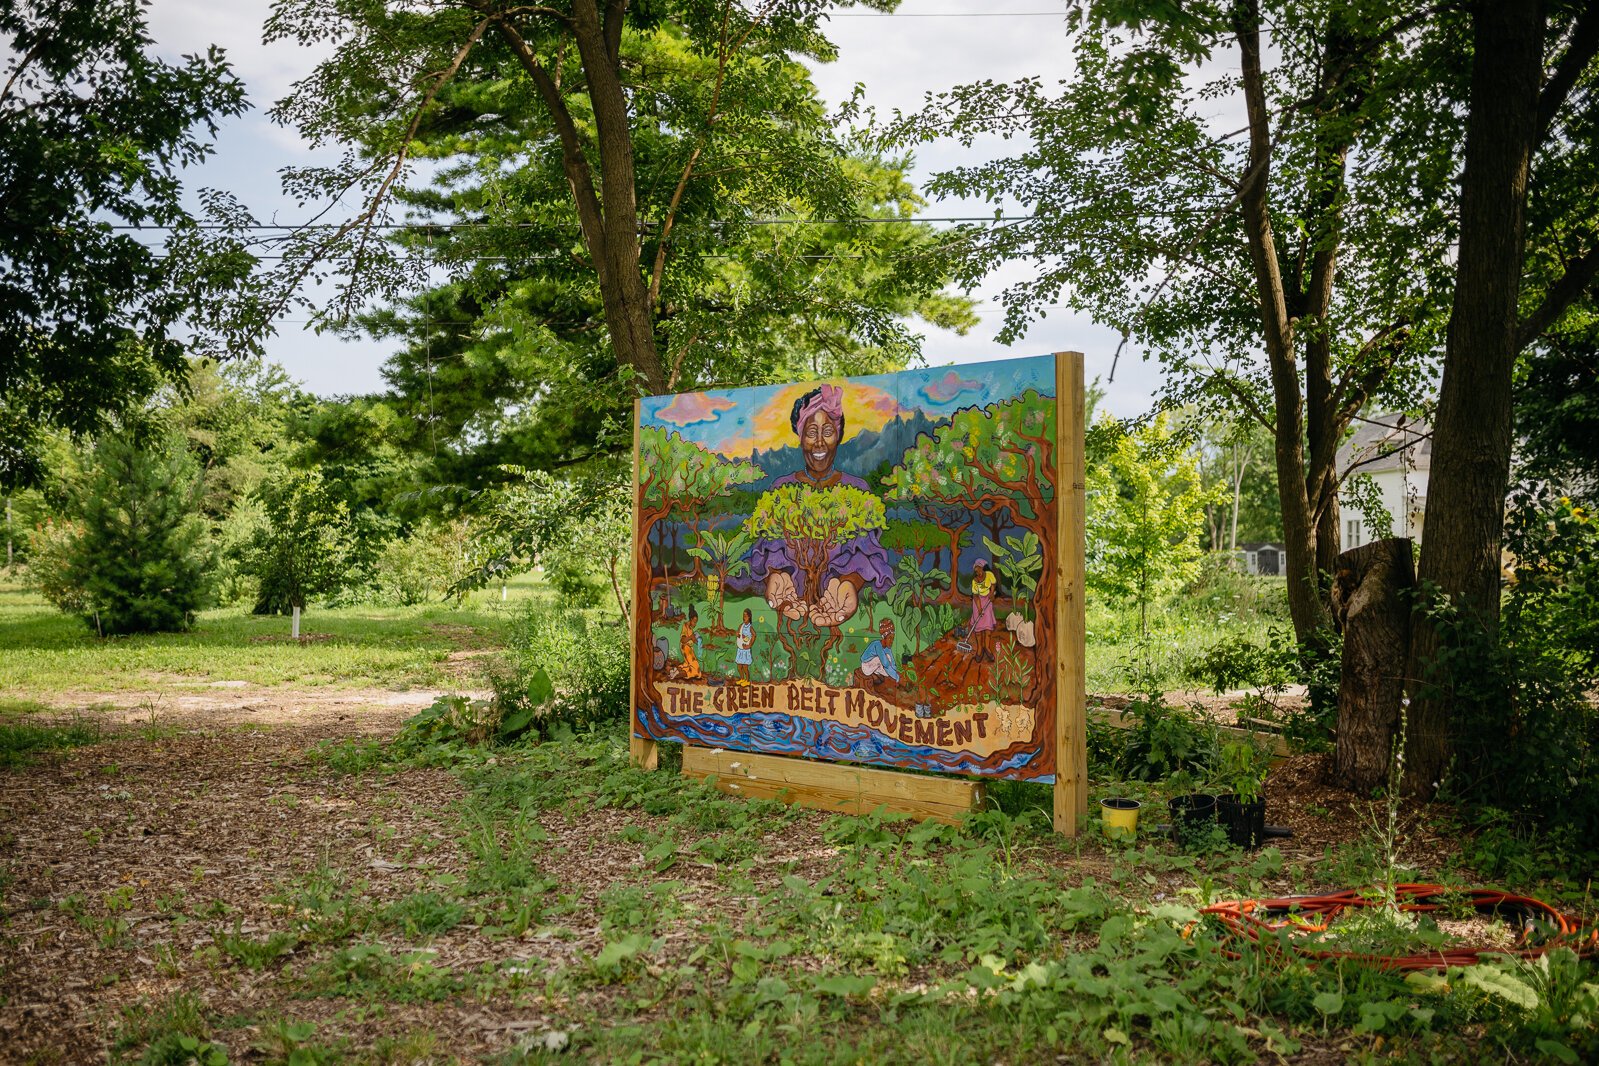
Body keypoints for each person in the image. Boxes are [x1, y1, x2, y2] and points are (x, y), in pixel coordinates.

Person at [748, 384, 893, 629]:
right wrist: (777, 576)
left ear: (838, 435)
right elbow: (771, 548)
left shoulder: (857, 492)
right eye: (811, 432)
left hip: (835, 617)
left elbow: (866, 554)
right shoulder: (782, 491)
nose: (818, 443)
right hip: (790, 615)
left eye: (827, 431)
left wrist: (849, 583)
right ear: (800, 436)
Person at [968, 559, 998, 662]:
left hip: (988, 601)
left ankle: (987, 648)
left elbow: (993, 584)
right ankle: (980, 649)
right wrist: (979, 608)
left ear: (983, 568)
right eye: (976, 571)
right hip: (978, 603)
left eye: (979, 570)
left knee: (988, 628)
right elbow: (975, 596)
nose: (978, 573)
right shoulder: (975, 581)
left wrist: (992, 593)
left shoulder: (989, 575)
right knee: (979, 629)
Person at [680, 606, 703, 681]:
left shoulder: (690, 628)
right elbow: (683, 640)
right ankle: (675, 675)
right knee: (696, 670)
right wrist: (691, 637)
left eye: (696, 622)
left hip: (689, 649)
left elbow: (693, 640)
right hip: (685, 648)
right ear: (690, 619)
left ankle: (675, 672)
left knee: (690, 666)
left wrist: (699, 642)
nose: (695, 624)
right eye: (694, 621)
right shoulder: (685, 626)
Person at [735, 608, 755, 685]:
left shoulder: (750, 627)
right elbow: (738, 633)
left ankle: (747, 680)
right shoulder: (741, 625)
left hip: (745, 650)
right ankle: (742, 678)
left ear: (749, 617)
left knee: (745, 667)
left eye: (746, 616)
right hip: (740, 649)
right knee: (739, 666)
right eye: (743, 615)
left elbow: (754, 635)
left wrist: (749, 645)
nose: (744, 617)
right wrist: (737, 634)